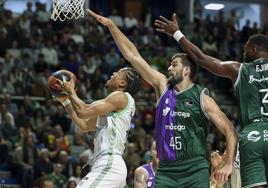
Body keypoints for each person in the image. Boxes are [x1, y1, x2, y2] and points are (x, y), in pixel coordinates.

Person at [87, 9, 238, 188]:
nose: (168, 68)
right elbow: (133, 56)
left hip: (195, 170)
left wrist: (228, 162)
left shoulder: (202, 98)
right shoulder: (163, 86)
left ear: (187, 70)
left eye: (174, 64)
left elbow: (229, 130)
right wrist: (112, 26)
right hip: (166, 171)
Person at [154, 13, 268, 188]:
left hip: (253, 137)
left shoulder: (239, 69)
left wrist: (177, 33)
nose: (243, 53)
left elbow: (201, 59)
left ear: (253, 50)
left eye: (245, 50)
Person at [56, 66, 141, 188]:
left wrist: (71, 91)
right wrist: (65, 101)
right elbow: (84, 124)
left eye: (117, 73)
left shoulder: (121, 97)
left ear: (122, 83)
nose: (113, 73)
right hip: (106, 165)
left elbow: (83, 111)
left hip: (109, 164)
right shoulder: (113, 109)